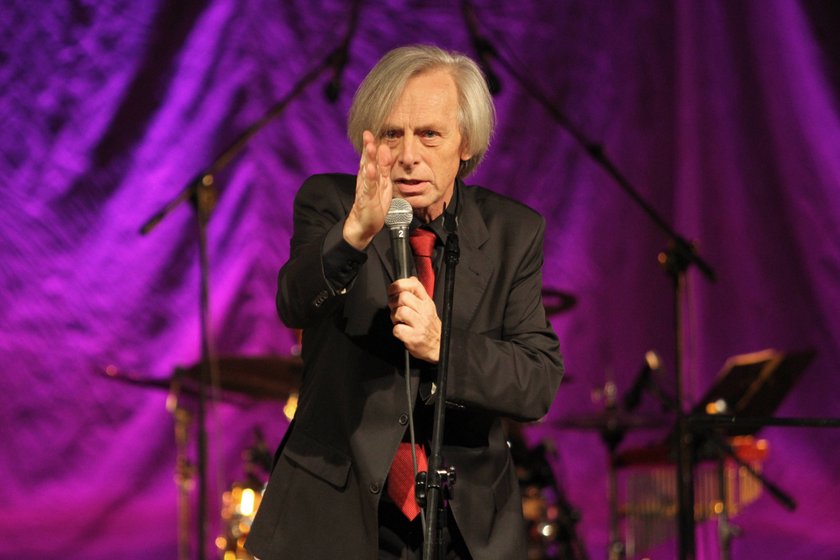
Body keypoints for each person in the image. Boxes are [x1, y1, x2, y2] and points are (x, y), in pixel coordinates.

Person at [246, 44, 564, 559]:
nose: (408, 155)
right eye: (393, 134)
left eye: (429, 134)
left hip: (466, 524)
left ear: (465, 143)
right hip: (337, 514)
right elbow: (294, 303)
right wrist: (354, 234)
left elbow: (536, 382)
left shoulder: (513, 232)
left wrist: (442, 346)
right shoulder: (331, 204)